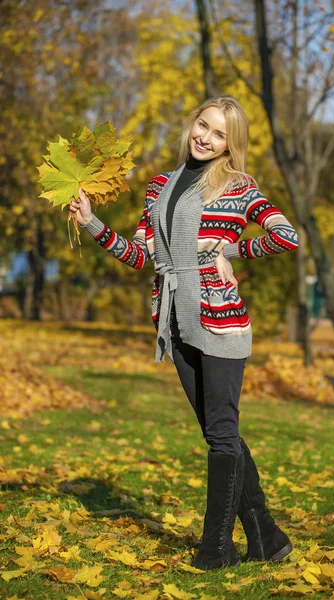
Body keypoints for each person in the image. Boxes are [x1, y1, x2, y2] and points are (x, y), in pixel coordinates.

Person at [69, 95, 298, 571]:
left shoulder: (239, 186)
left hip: (221, 324)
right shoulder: (159, 186)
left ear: (230, 146)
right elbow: (139, 257)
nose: (206, 137)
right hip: (174, 323)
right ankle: (267, 537)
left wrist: (233, 253)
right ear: (191, 124)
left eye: (219, 134)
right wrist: (91, 221)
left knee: (221, 435)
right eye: (203, 125)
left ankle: (216, 549)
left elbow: (285, 235)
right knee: (221, 433)